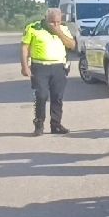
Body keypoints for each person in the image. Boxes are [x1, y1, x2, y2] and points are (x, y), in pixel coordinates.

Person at [21, 8, 77, 136]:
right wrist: (25, 66)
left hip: (59, 66)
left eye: (58, 22)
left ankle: (56, 124)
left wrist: (59, 32)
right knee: (41, 96)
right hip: (40, 67)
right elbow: (24, 48)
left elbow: (72, 45)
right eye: (52, 22)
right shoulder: (33, 28)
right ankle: (39, 123)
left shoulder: (63, 29)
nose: (55, 24)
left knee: (57, 97)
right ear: (46, 20)